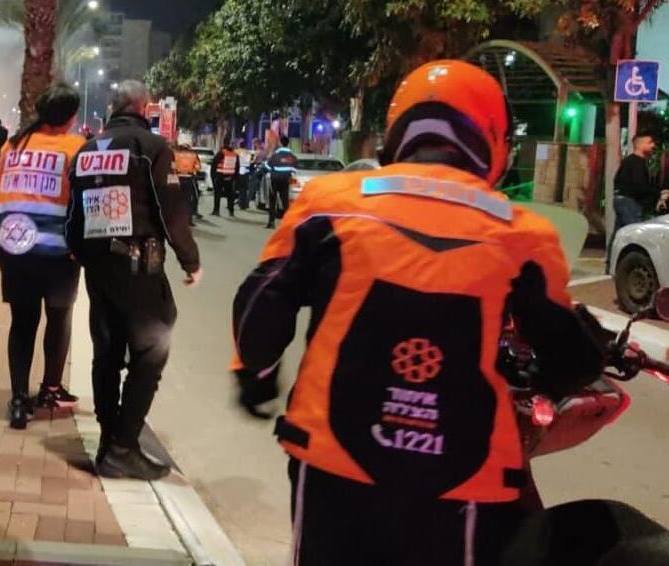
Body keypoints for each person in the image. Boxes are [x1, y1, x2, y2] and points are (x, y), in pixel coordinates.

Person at [231, 60, 604, 565]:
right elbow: (570, 356)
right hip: (464, 481)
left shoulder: (329, 204)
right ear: (493, 141)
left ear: (398, 130)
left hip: (333, 461)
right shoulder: (524, 234)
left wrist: (257, 376)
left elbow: (261, 303)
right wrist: (578, 359)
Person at [65, 80, 202, 480]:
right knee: (152, 350)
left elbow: (75, 208)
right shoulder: (151, 148)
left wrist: (76, 247)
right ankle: (123, 447)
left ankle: (111, 442)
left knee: (106, 355)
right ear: (144, 107)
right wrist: (190, 260)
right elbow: (170, 207)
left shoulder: (88, 151)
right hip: (139, 266)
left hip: (97, 267)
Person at [0, 84, 85, 429]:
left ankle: (17, 400)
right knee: (58, 319)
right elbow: (80, 204)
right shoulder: (75, 148)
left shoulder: (13, 146)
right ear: (71, 118)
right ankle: (50, 391)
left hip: (15, 248)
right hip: (58, 252)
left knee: (22, 323)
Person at [609, 133, 666, 271]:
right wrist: (658, 193)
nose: (653, 146)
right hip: (629, 202)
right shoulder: (637, 163)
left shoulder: (629, 161)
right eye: (649, 142)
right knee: (636, 235)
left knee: (620, 233)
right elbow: (640, 186)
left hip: (621, 200)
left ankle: (610, 264)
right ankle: (635, 266)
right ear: (639, 145)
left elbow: (618, 181)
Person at [265, 136, 297, 229]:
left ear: (280, 143)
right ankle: (288, 223)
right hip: (286, 180)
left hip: (274, 180)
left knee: (272, 201)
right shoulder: (292, 156)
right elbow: (294, 170)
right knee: (285, 201)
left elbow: (267, 167)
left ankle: (271, 222)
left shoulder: (275, 155)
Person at [173, 144, 202, 226]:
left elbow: (171, 166)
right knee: (188, 200)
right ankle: (188, 221)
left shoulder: (175, 154)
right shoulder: (193, 155)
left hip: (177, 178)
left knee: (176, 200)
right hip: (189, 178)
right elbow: (198, 167)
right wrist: (193, 171)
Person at [210, 142, 239, 217]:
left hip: (220, 176)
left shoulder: (221, 153)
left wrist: (213, 176)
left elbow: (214, 164)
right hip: (230, 177)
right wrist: (235, 177)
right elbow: (237, 167)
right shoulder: (235, 155)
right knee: (230, 195)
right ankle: (231, 211)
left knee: (217, 195)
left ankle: (216, 211)